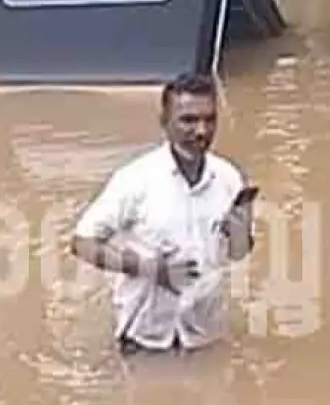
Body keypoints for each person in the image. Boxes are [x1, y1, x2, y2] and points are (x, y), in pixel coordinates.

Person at [70, 72, 258, 353]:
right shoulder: (135, 180)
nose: (201, 131)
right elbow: (81, 244)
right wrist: (151, 270)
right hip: (145, 338)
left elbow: (237, 253)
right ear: (165, 123)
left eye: (209, 119)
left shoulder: (229, 178)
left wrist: (240, 231)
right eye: (189, 120)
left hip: (205, 337)